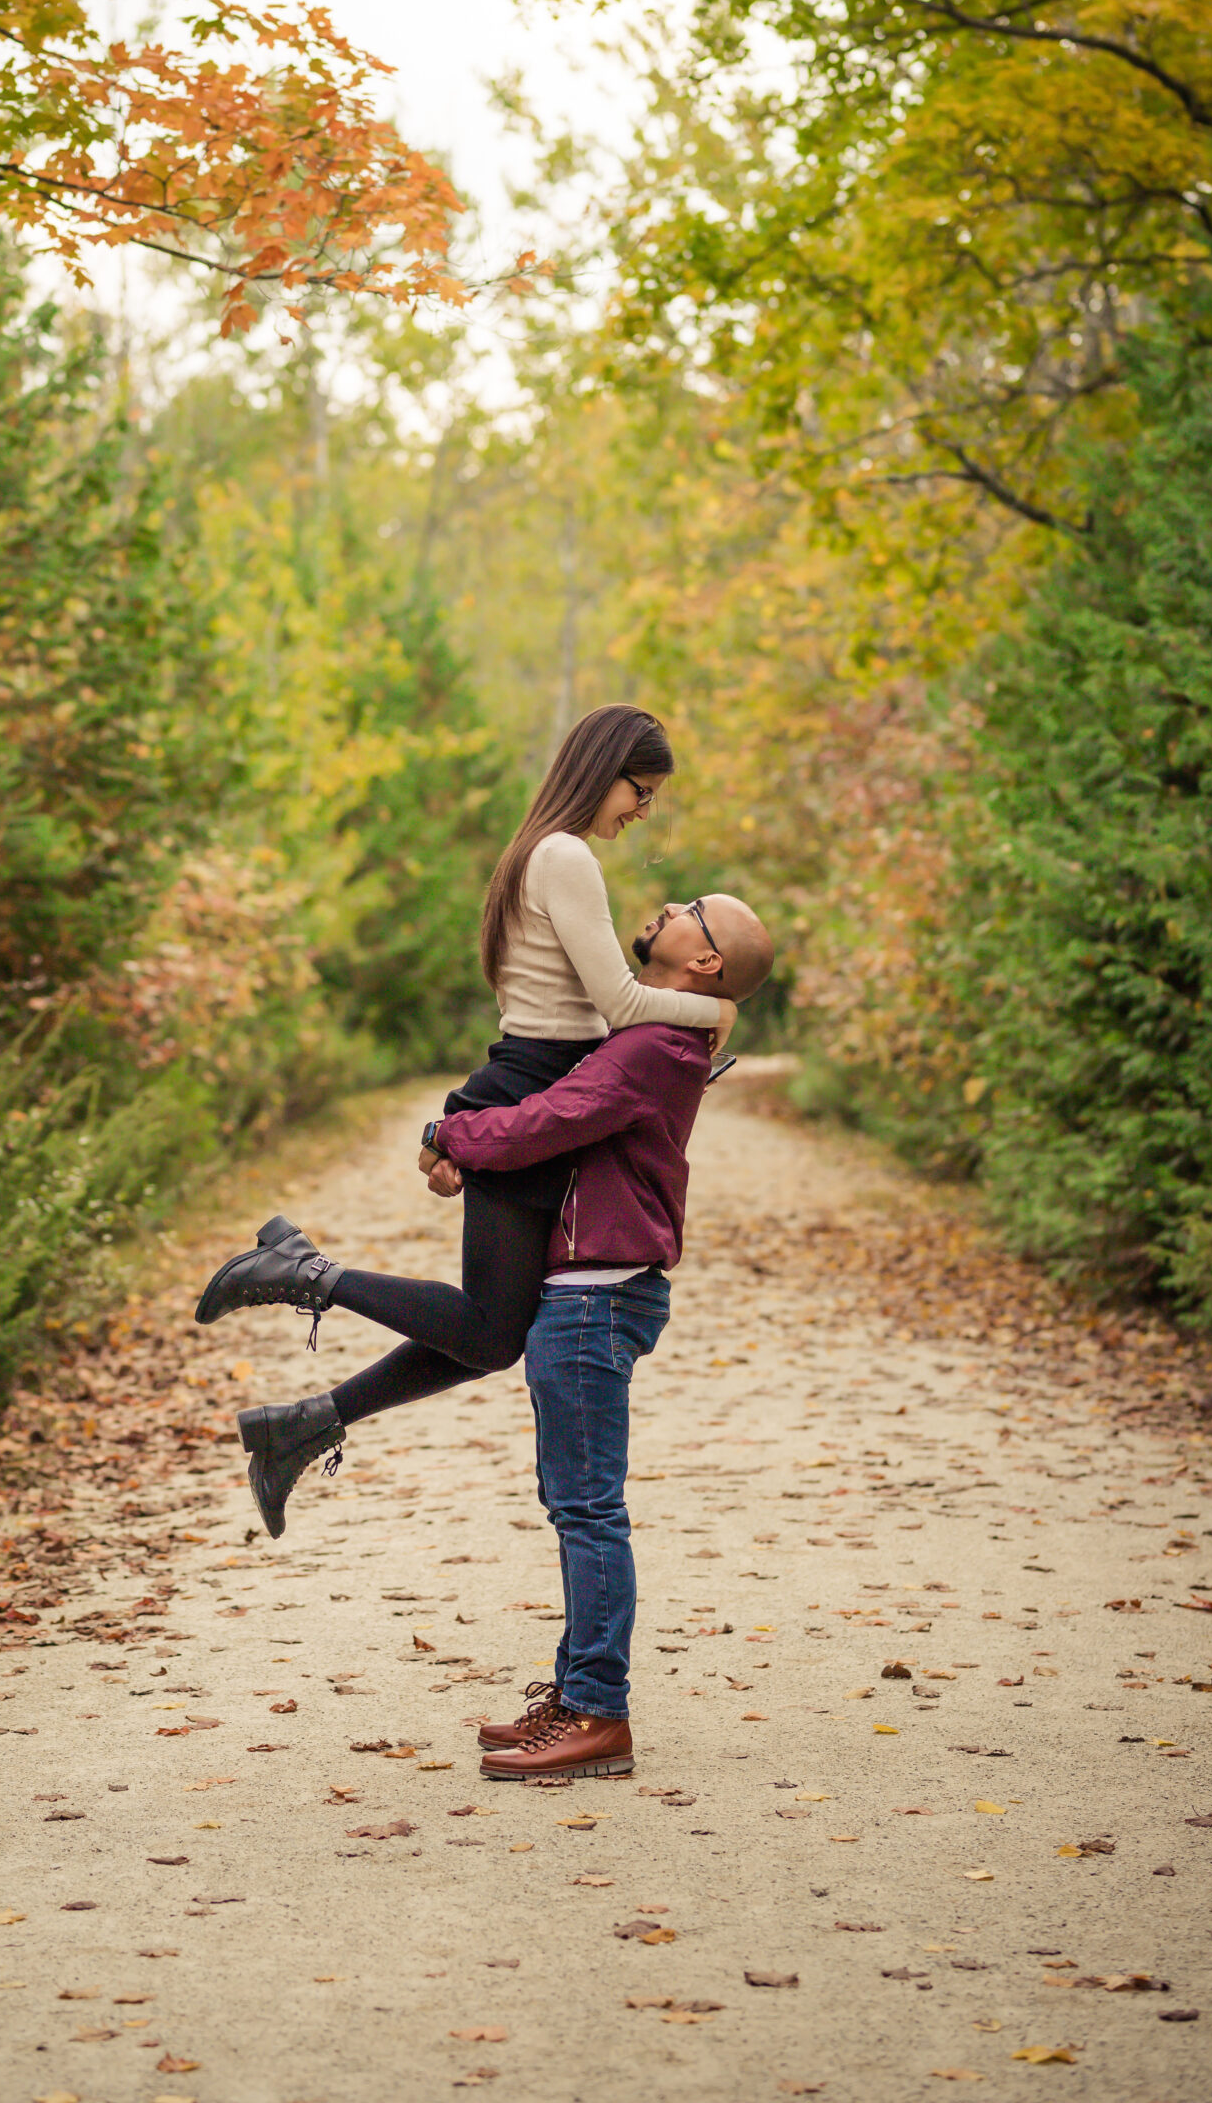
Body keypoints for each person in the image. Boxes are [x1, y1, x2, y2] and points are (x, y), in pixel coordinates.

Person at [193, 707, 735, 1534]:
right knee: (488, 1332)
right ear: (603, 769)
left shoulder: (541, 853)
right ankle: (303, 1275)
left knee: (492, 1332)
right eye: (641, 790)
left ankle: (300, 1425)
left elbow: (583, 1018)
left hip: (529, 1085)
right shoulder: (564, 856)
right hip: (529, 1090)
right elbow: (620, 1004)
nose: (643, 810)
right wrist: (714, 1010)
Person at [437, 892, 776, 1782]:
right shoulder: (659, 1030)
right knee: (574, 1504)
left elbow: (546, 1121)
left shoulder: (653, 1045)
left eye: (692, 910)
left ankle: (598, 1713)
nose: (668, 904)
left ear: (704, 962)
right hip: (593, 1291)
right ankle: (575, 1696)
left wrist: (447, 1134)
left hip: (595, 1296)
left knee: (587, 1510)